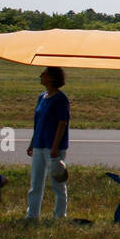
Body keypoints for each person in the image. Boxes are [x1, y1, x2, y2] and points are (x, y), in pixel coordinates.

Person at [26, 66, 69, 220]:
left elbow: (62, 123)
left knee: (57, 182)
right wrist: (32, 143)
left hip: (53, 147)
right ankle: (32, 215)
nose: (41, 76)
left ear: (51, 78)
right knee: (35, 182)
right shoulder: (41, 97)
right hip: (39, 143)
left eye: (43, 74)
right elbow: (38, 122)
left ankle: (60, 215)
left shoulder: (60, 99)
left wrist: (55, 147)